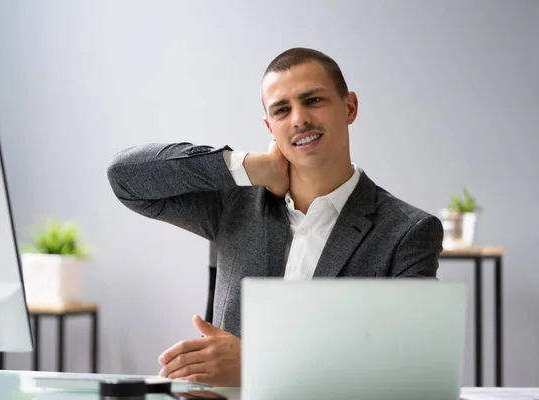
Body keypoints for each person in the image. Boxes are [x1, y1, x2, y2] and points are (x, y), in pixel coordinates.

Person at [107, 47, 444, 387]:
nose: (299, 119)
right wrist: (252, 166)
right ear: (270, 125)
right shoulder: (234, 204)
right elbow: (125, 177)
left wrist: (259, 365)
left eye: (313, 100)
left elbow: (410, 368)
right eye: (282, 109)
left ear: (350, 107)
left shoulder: (408, 231)